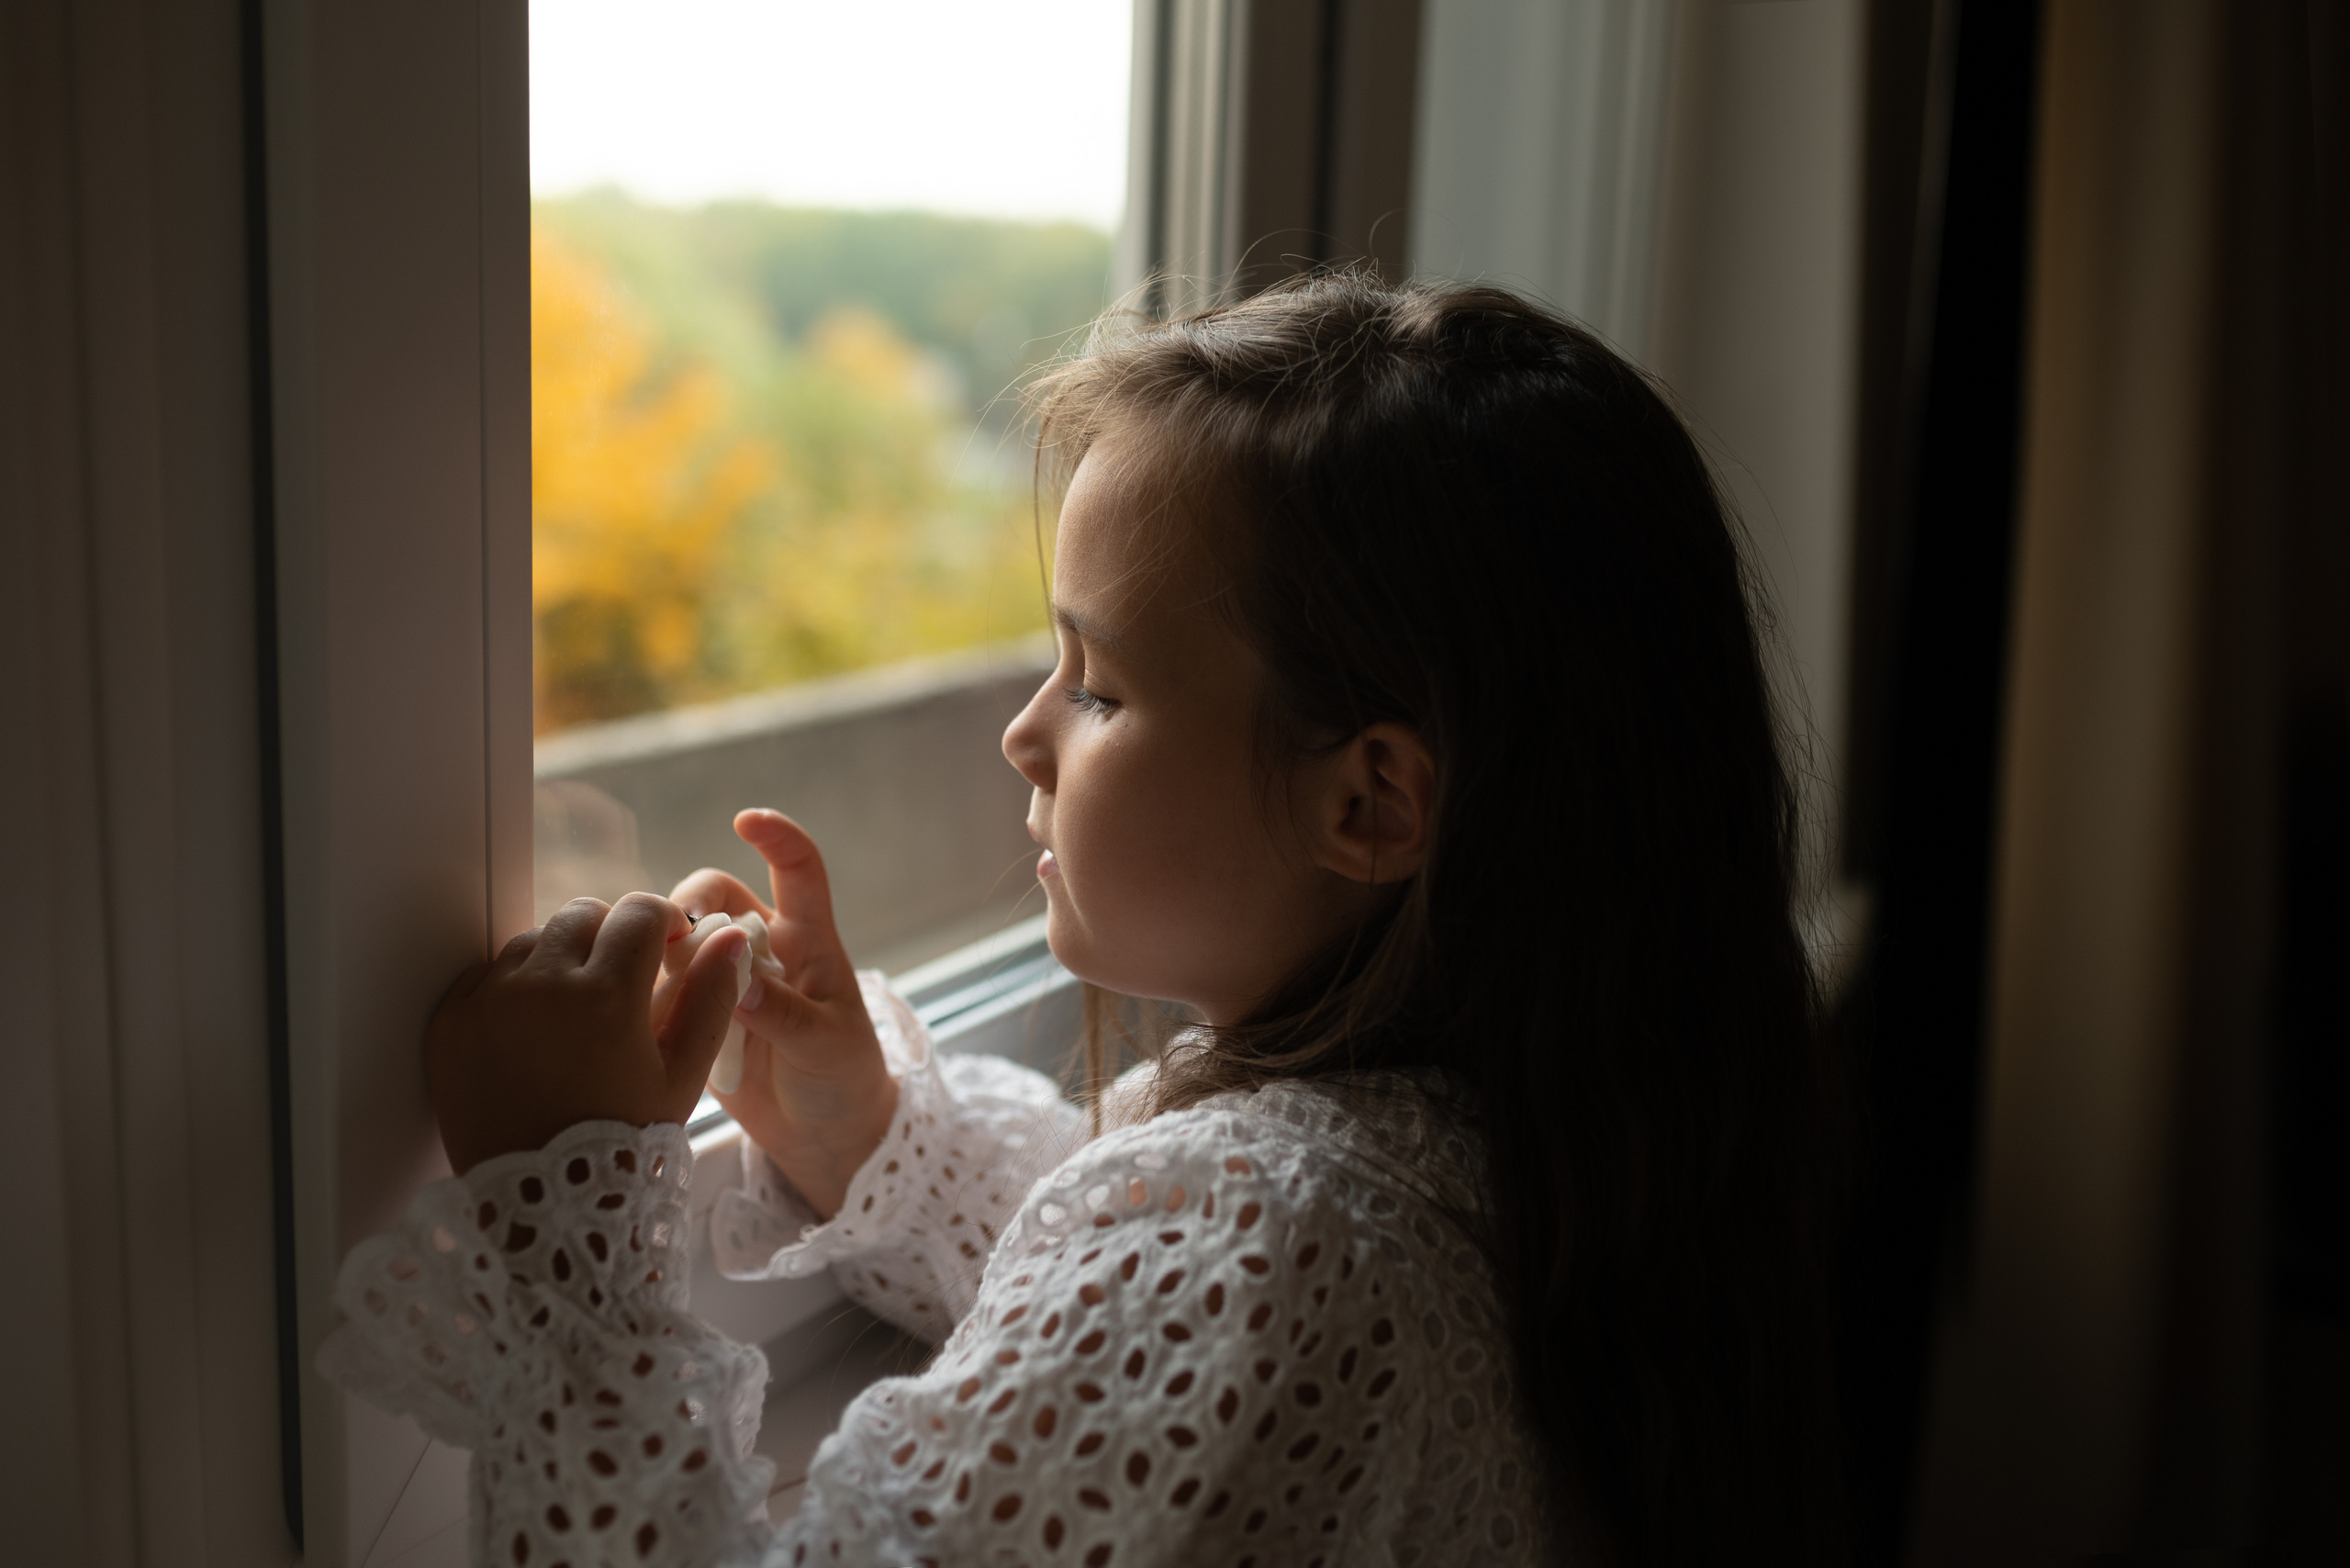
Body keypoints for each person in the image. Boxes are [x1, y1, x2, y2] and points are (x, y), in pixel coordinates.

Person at [323, 274, 1848, 1567]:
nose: (1025, 735)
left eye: (1100, 684)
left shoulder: (1264, 1235)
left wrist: (562, 1226)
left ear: (1371, 804)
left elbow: (1197, 1300)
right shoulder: (1538, 1127)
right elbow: (1145, 1358)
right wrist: (866, 1139)